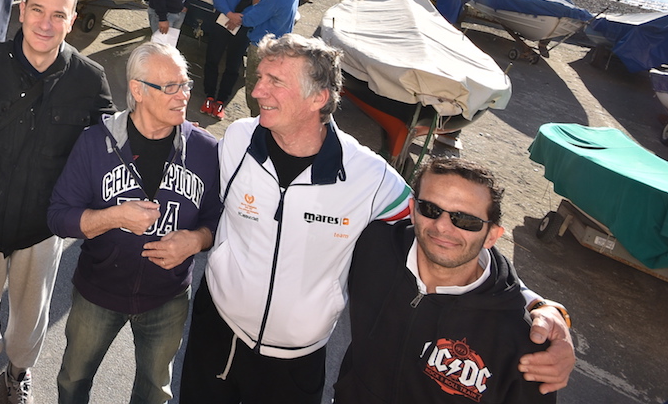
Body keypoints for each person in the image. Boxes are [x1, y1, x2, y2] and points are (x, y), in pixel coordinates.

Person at [179, 33, 576, 403]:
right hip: (216, 329)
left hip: (295, 359)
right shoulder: (237, 140)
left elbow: (448, 232)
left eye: (275, 81)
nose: (257, 90)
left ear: (319, 97)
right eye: (260, 76)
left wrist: (540, 304)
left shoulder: (370, 178)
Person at [0, 0, 114, 404]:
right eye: (37, 9)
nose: (45, 23)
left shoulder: (90, 79)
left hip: (43, 228)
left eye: (58, 15)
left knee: (32, 312)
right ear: (22, 11)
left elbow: (110, 149)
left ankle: (19, 370)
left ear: (73, 20)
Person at [48, 42, 221, 404]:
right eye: (170, 86)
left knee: (154, 392)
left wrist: (196, 240)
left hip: (167, 298)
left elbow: (217, 219)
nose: (183, 95)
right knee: (73, 380)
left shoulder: (206, 151)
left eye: (185, 84)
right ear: (138, 90)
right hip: (98, 292)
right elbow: (59, 216)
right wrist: (114, 217)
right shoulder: (95, 142)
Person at [334, 156, 559, 403]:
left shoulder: (521, 339)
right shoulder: (372, 247)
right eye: (430, 209)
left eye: (465, 220)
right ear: (412, 210)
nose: (442, 226)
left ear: (491, 237)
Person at [201, 0, 268, 120]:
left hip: (243, 24)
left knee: (233, 64)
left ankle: (221, 101)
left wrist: (240, 18)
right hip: (221, 19)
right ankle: (209, 96)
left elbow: (260, 1)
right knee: (212, 59)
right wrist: (229, 14)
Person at [240, 0, 301, 117]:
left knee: (255, 93)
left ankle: (257, 126)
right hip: (277, 49)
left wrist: (239, 17)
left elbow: (252, 18)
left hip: (261, 48)